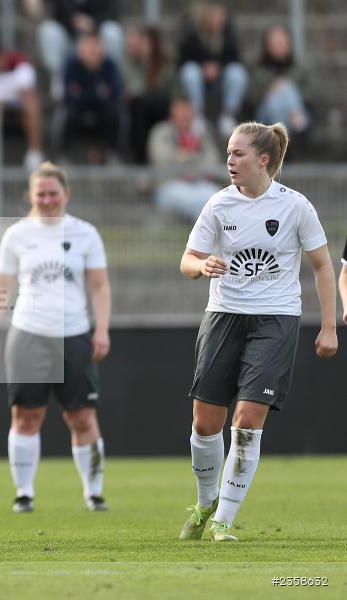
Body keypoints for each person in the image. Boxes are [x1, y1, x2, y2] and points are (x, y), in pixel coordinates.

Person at [178, 121, 338, 543]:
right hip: (223, 316)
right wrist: (201, 267)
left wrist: (328, 326)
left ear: (262, 160)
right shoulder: (218, 205)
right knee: (205, 421)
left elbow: (322, 266)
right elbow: (188, 259)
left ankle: (223, 520)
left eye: (237, 154)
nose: (229, 161)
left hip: (275, 319)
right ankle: (205, 500)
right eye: (228, 153)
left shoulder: (295, 206)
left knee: (247, 421)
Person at [0, 161, 112, 514]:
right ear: (31, 196)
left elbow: (99, 286)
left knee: (83, 416)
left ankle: (94, 492)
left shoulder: (85, 233)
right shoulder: (17, 235)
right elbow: (2, 286)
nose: (48, 200)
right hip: (29, 333)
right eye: (41, 194)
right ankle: (24, 492)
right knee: (26, 415)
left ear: (66, 194)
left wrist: (101, 329)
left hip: (74, 334)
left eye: (53, 193)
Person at [25, 0, 123, 101]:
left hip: (97, 42)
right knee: (48, 30)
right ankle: (59, 79)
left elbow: (112, 14)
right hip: (70, 40)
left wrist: (93, 23)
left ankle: (111, 77)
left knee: (112, 31)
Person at [177, 2, 248, 136]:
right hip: (199, 77)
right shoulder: (192, 34)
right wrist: (203, 67)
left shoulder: (228, 34)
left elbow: (235, 58)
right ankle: (197, 116)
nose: (217, 21)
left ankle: (228, 115)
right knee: (190, 72)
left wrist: (219, 68)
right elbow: (183, 60)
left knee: (237, 73)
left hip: (221, 78)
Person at [0, 41, 44, 171]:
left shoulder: (19, 62)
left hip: (20, 106)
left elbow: (27, 88)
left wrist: (1, 91)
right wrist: (10, 91)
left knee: (32, 103)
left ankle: (34, 153)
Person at [148, 96, 221, 221]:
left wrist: (187, 156)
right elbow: (160, 160)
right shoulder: (161, 132)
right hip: (169, 186)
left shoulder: (201, 134)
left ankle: (203, 232)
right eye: (180, 110)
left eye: (187, 111)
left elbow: (213, 162)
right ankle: (205, 231)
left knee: (218, 197)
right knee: (185, 198)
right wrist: (188, 156)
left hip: (199, 184)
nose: (184, 115)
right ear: (172, 113)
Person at [59, 32, 122, 164]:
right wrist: (98, 93)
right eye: (89, 46)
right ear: (80, 49)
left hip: (102, 111)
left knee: (114, 112)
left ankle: (111, 152)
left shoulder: (109, 65)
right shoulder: (71, 65)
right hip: (78, 111)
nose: (93, 50)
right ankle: (64, 154)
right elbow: (68, 96)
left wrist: (83, 93)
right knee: (69, 113)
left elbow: (116, 94)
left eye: (96, 46)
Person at [122, 25, 175, 164]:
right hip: (142, 111)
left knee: (141, 103)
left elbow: (161, 91)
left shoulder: (165, 63)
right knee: (137, 105)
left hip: (161, 108)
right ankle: (140, 157)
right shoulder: (136, 62)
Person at [248, 25, 313, 135]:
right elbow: (251, 98)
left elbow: (309, 93)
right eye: (275, 44)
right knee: (278, 96)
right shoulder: (258, 69)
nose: (279, 47)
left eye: (282, 43)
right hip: (265, 113)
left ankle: (284, 133)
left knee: (286, 87)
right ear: (268, 46)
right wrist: (270, 90)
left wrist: (287, 91)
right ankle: (293, 123)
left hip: (291, 110)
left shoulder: (299, 68)